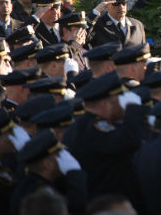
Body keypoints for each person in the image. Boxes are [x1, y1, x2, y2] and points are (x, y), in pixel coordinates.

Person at [62, 71, 145, 210]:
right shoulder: (94, 127)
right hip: (106, 206)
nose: (122, 107)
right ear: (105, 104)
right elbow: (130, 140)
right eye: (119, 100)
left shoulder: (81, 125)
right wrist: (133, 108)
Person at [10, 129, 87, 215]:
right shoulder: (42, 192)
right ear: (48, 164)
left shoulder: (31, 183)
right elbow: (74, 208)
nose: (67, 158)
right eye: (60, 156)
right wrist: (75, 172)